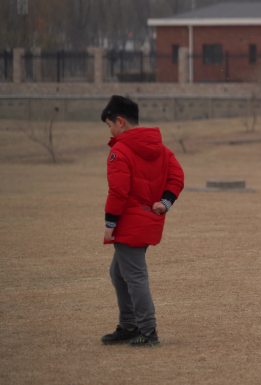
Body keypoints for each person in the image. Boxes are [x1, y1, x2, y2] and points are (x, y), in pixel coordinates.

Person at [99, 95, 184, 347]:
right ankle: (128, 325)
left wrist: (110, 224)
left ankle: (147, 330)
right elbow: (177, 177)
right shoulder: (160, 148)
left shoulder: (120, 151)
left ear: (121, 122)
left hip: (129, 223)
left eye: (110, 125)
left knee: (134, 275)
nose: (110, 131)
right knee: (118, 273)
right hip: (148, 221)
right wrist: (164, 202)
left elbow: (118, 192)